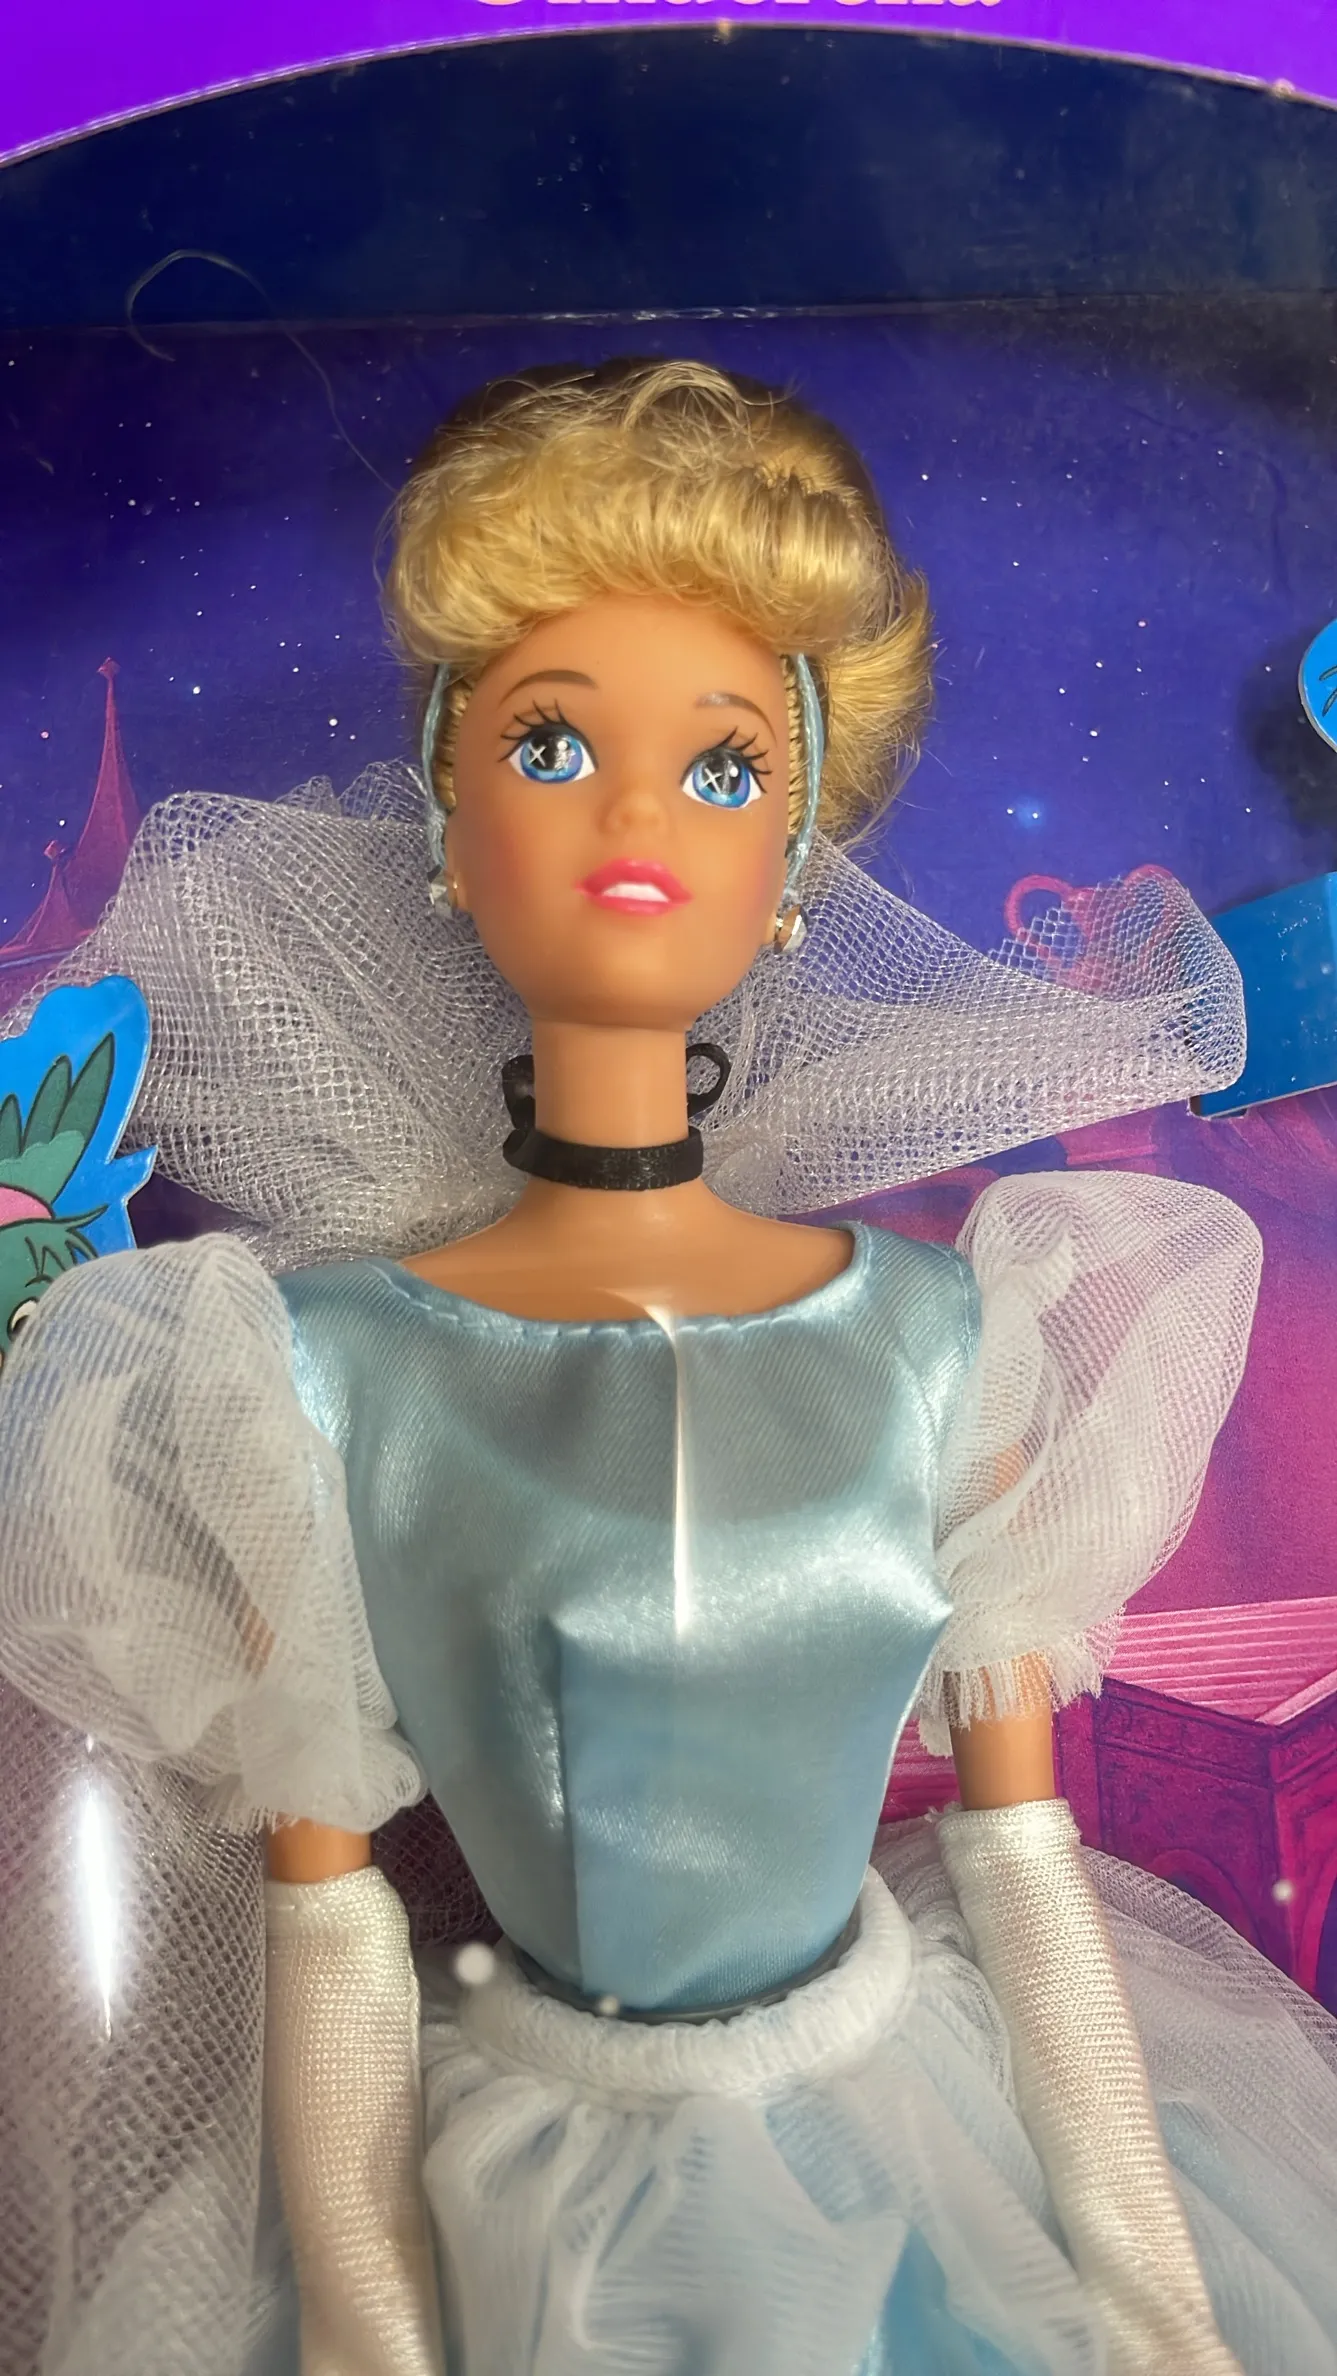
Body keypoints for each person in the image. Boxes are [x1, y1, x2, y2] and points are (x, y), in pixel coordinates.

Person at [1, 359, 1335, 2376]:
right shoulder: (307, 1373)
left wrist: (1159, 2316)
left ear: (796, 855)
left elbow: (1021, 1859)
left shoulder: (947, 1337)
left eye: (720, 767)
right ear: (449, 822)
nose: (634, 814)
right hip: (521, 2201)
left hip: (913, 2161)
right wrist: (367, 2337)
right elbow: (325, 1924)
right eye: (550, 745)